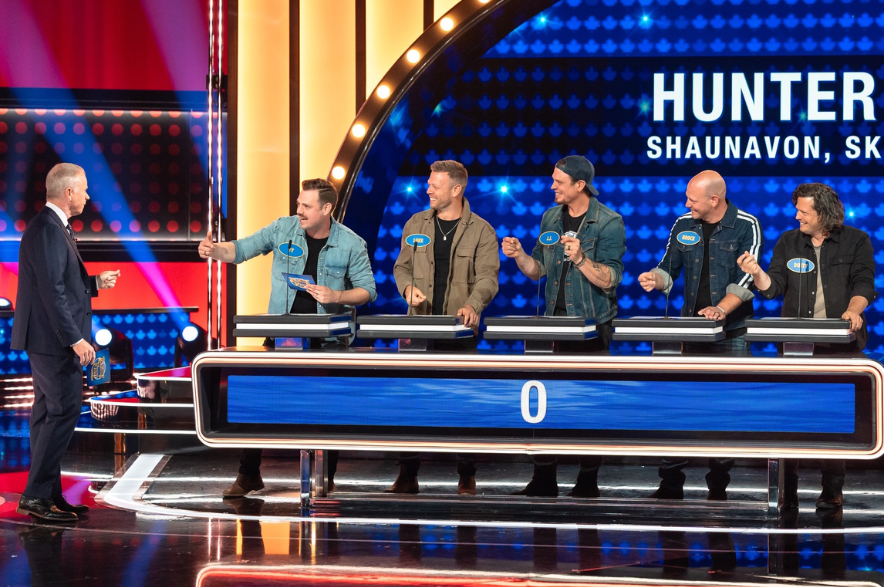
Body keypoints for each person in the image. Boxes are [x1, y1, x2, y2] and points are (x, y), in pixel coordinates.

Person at [199, 178, 377, 497]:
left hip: (328, 340)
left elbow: (368, 290)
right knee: (258, 402)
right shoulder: (283, 228)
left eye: (306, 206)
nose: (299, 211)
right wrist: (215, 250)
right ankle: (248, 474)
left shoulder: (351, 242)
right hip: (282, 335)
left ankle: (325, 478)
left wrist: (337, 295)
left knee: (326, 409)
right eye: (298, 204)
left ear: (326, 208)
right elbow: (242, 249)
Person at [738, 182, 876, 510]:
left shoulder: (857, 240)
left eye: (804, 211)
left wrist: (853, 311)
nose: (797, 216)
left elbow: (864, 283)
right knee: (792, 417)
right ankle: (788, 489)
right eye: (797, 210)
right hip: (795, 347)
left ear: (824, 213)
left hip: (840, 346)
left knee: (834, 419)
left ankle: (832, 490)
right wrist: (756, 272)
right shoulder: (788, 242)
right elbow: (772, 288)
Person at [501, 155, 625, 497]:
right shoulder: (550, 217)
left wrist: (581, 258)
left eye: (559, 181)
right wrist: (519, 255)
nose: (552, 186)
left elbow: (610, 278)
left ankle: (587, 480)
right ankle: (544, 478)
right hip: (553, 327)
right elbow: (538, 270)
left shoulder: (608, 222)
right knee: (546, 400)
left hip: (592, 324)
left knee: (588, 403)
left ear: (580, 185)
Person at [637, 170, 763, 500]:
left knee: (726, 408)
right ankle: (670, 481)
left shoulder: (746, 225)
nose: (686, 204)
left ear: (714, 200)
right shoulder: (683, 224)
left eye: (692, 200)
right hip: (690, 332)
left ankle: (718, 483)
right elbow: (668, 267)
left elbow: (747, 278)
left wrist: (721, 309)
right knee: (679, 404)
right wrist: (655, 278)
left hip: (732, 332)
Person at [12, 163, 121, 521]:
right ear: (69, 191)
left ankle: (48, 494)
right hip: (53, 340)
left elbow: (60, 282)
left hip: (47, 339)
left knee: (48, 414)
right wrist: (75, 339)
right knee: (63, 411)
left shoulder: (53, 227)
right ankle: (36, 496)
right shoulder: (47, 228)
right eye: (84, 189)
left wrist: (95, 283)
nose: (88, 196)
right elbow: (51, 291)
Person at [388, 160, 500, 496]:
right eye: (428, 184)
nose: (428, 190)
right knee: (411, 402)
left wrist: (473, 304)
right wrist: (407, 288)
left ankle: (466, 475)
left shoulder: (482, 231)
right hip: (418, 329)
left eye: (435, 185)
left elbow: (488, 278)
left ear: (456, 189)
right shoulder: (415, 223)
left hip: (459, 331)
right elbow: (401, 268)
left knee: (462, 404)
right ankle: (407, 474)